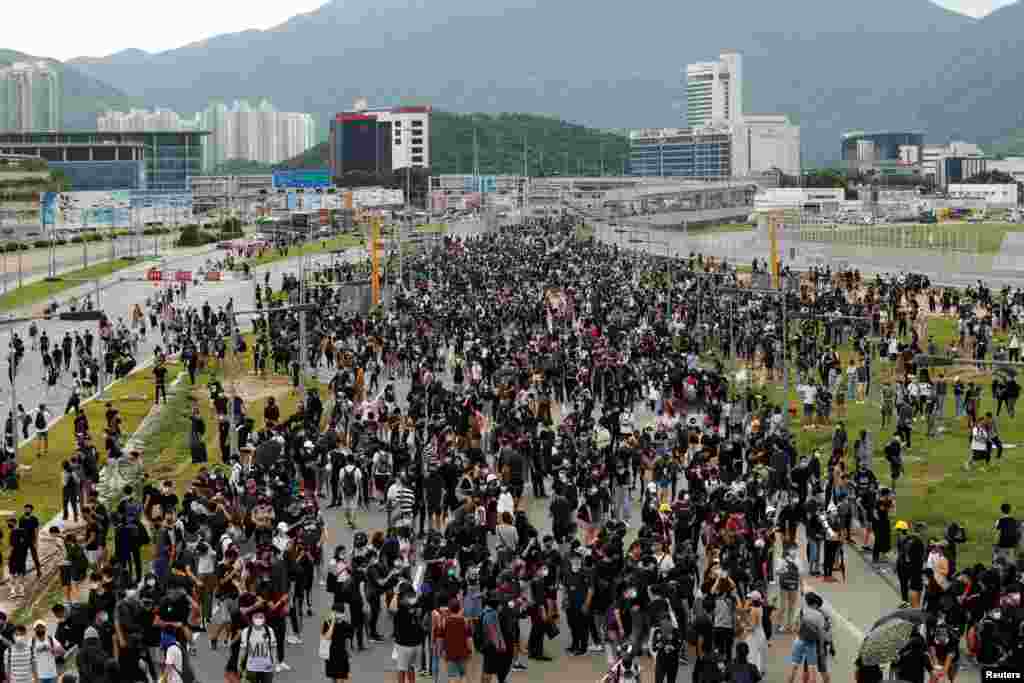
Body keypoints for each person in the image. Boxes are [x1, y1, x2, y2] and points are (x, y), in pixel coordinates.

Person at [239, 607, 277, 682]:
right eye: (256, 617)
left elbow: (273, 648)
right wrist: (239, 664)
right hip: (251, 669)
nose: (258, 619)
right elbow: (243, 650)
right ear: (252, 618)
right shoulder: (246, 631)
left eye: (261, 617)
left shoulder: (269, 630)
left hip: (267, 668)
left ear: (264, 619)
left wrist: (274, 663)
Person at [323, 609, 353, 682]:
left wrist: (349, 654)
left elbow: (348, 641)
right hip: (330, 654)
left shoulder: (347, 626)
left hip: (342, 654)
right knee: (333, 677)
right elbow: (327, 637)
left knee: (341, 677)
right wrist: (332, 622)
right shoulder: (327, 623)